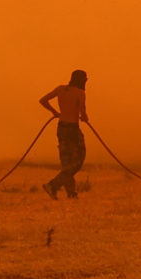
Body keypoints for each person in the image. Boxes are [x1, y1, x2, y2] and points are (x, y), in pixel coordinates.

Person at [38, 69, 90, 199]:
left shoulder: (60, 89)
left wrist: (54, 112)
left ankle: (71, 193)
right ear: (81, 80)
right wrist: (85, 118)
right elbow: (83, 114)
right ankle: (53, 185)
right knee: (79, 159)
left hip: (61, 128)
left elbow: (43, 100)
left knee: (66, 162)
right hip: (72, 128)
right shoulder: (80, 93)